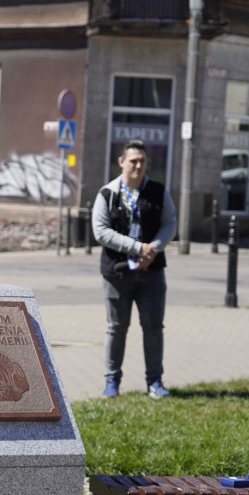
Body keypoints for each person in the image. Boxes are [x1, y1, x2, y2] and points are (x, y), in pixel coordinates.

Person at [92, 139, 177, 399]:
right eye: (133, 161)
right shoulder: (107, 193)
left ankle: (155, 382)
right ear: (121, 163)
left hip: (152, 273)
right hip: (117, 274)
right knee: (116, 328)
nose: (138, 166)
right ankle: (112, 382)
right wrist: (137, 248)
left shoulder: (158, 191)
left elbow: (170, 223)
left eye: (142, 161)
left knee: (153, 327)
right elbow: (101, 231)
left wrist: (153, 249)